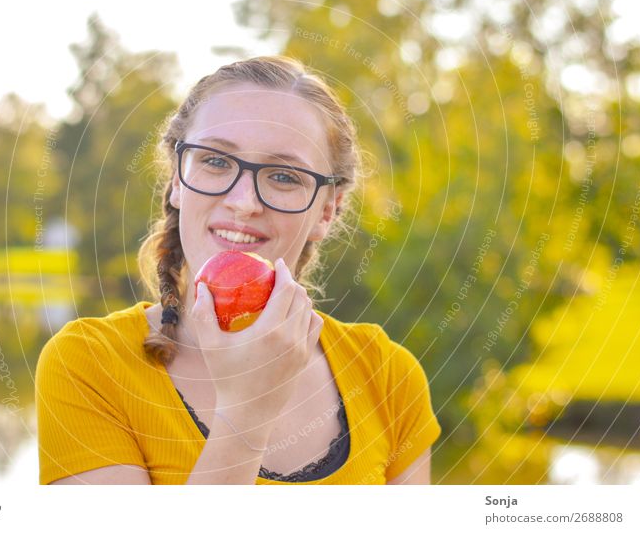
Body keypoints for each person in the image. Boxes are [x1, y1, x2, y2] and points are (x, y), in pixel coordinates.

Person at [35, 55, 441, 485]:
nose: (244, 202)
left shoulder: (387, 375)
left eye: (284, 176)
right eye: (215, 161)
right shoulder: (90, 365)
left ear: (327, 210)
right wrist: (247, 411)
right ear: (177, 179)